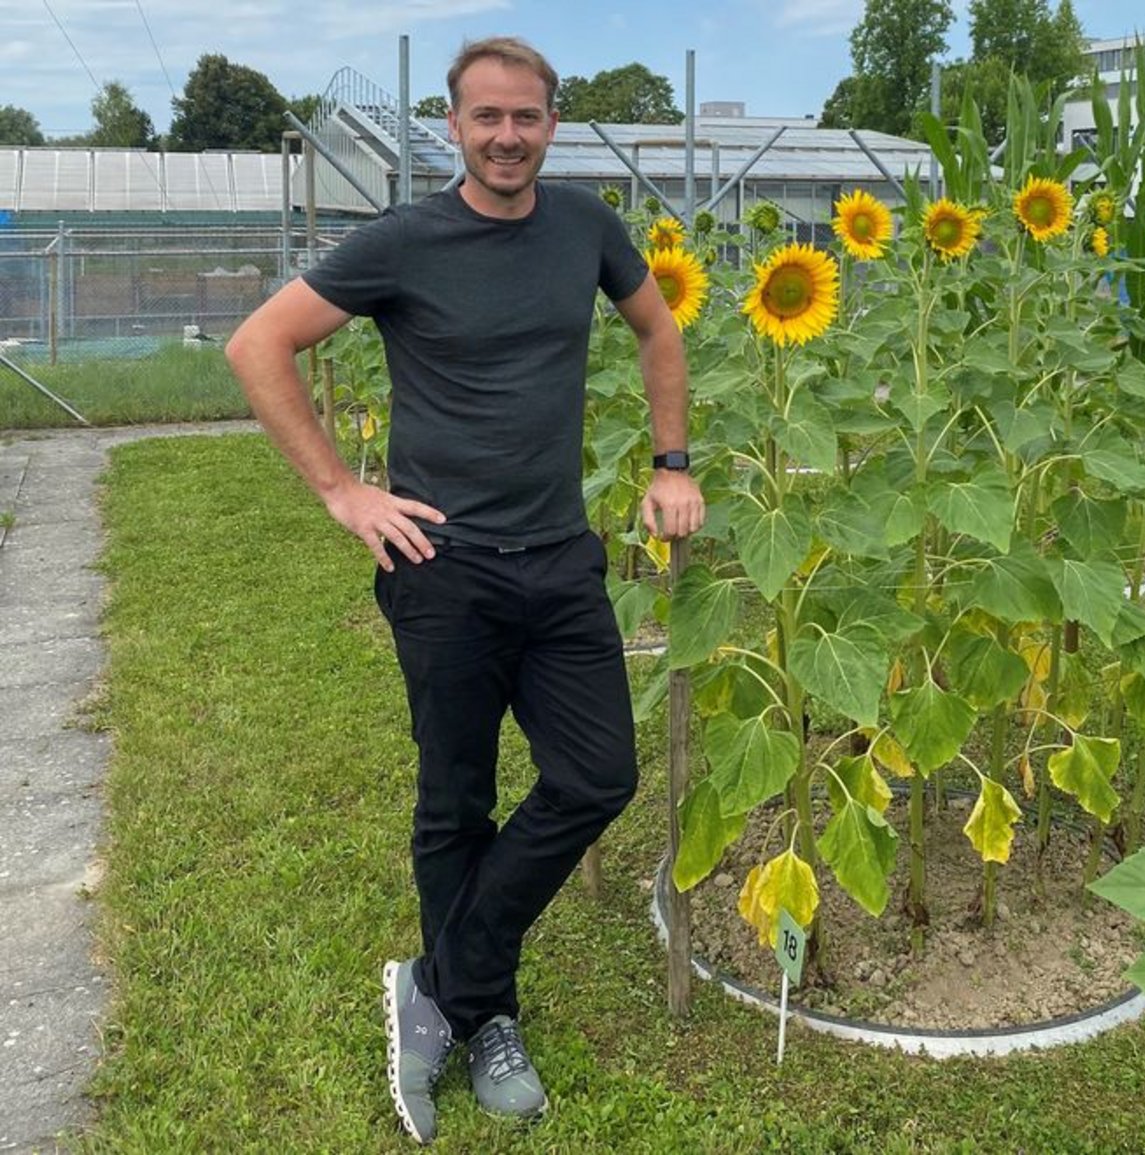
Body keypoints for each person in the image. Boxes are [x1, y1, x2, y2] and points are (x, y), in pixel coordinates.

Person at [225, 35, 703, 1146]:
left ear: (551, 123)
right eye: (484, 117)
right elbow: (260, 346)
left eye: (525, 117)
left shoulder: (585, 226)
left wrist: (671, 462)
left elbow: (657, 328)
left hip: (559, 558)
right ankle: (485, 1017)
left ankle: (438, 985)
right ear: (452, 126)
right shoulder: (403, 239)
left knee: (594, 777)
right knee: (455, 801)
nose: (505, 136)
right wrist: (345, 492)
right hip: (440, 571)